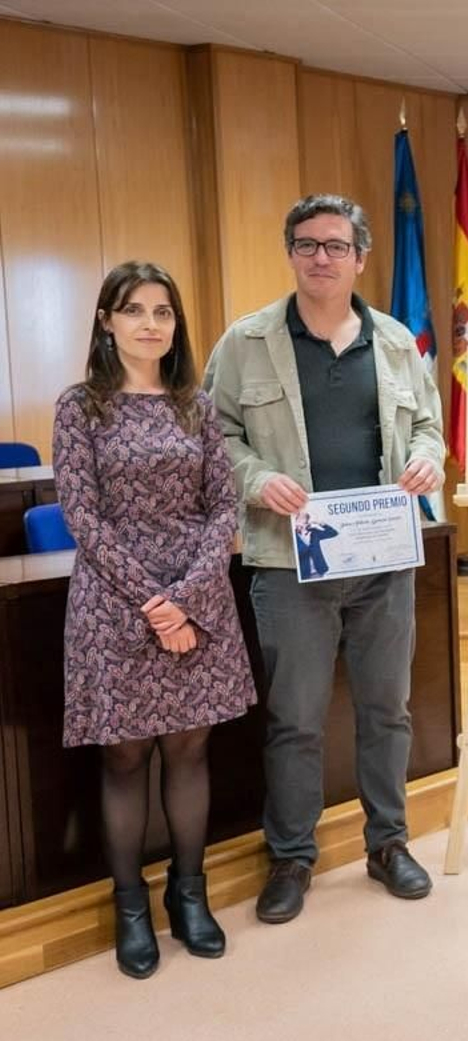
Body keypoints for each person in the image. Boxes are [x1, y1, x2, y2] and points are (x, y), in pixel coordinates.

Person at [204, 194, 445, 925]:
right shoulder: (246, 342)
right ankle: (292, 856)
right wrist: (254, 477)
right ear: (291, 254)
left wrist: (430, 460)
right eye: (306, 244)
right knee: (296, 718)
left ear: (360, 258)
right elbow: (214, 435)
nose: (321, 258)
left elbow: (431, 427)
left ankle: (388, 842)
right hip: (290, 564)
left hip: (381, 561)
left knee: (387, 712)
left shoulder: (400, 343)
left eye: (336, 246)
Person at [53, 261, 256, 978]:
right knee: (126, 754)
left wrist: (190, 595)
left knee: (190, 750)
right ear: (107, 321)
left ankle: (189, 893)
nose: (150, 323)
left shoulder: (196, 406)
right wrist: (153, 603)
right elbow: (83, 515)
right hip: (116, 604)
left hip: (197, 600)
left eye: (163, 311)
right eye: (133, 309)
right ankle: (130, 903)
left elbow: (221, 509)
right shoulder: (81, 407)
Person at [293, 513, 339, 580]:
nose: (300, 525)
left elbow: (333, 533)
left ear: (307, 523)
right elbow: (300, 552)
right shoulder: (294, 536)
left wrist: (321, 524)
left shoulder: (313, 532)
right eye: (298, 521)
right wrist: (305, 539)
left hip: (319, 570)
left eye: (303, 522)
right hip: (304, 573)